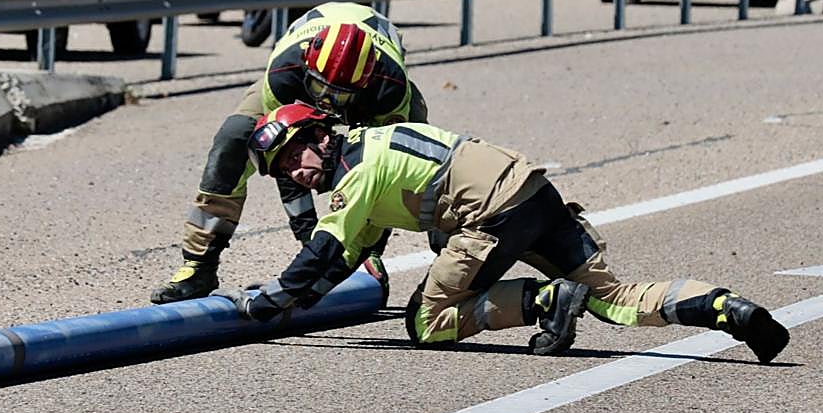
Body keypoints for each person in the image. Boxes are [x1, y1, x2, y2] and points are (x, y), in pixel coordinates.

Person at [215, 105, 790, 363]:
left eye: (292, 157)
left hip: (491, 218)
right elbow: (345, 257)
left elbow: (320, 251)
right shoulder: (374, 147)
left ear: (320, 135)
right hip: (535, 194)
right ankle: (725, 308)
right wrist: (302, 304)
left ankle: (543, 302)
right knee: (614, 300)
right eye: (282, 171)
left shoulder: (354, 174)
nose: (293, 174)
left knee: (426, 323)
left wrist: (264, 304)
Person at [150, 2, 429, 304]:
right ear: (308, 65)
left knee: (397, 160)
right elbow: (284, 157)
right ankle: (199, 266)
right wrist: (311, 242)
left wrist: (358, 248)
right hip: (305, 87)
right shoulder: (284, 74)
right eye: (320, 90)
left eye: (337, 96)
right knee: (234, 138)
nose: (327, 103)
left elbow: (382, 174)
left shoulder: (389, 90)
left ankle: (370, 255)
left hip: (368, 102)